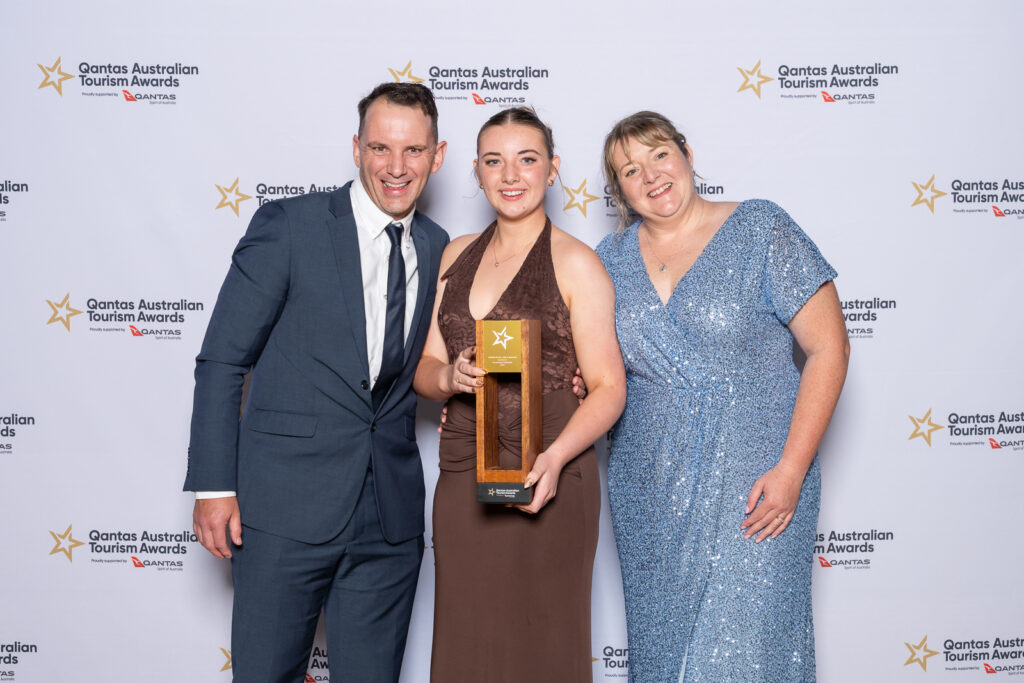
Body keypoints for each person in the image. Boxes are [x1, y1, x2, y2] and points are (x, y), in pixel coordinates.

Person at [184, 82, 448, 683]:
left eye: (413, 150)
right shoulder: (290, 226)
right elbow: (222, 360)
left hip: (389, 522)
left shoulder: (438, 247)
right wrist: (214, 487)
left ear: (437, 156)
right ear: (356, 149)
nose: (396, 167)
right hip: (283, 509)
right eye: (380, 148)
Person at [596, 111, 850, 682]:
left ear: (686, 154)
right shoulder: (606, 261)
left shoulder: (759, 227)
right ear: (619, 191)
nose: (651, 175)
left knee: (749, 653)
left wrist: (792, 470)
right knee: (665, 661)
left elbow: (830, 348)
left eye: (660, 154)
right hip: (650, 497)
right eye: (630, 170)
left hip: (757, 489)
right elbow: (595, 375)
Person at [414, 107, 626, 682]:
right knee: (467, 639)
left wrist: (555, 459)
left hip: (549, 464)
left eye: (527, 159)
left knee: (544, 641)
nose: (510, 175)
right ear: (477, 172)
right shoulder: (455, 255)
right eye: (494, 161)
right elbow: (426, 368)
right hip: (465, 467)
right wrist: (450, 378)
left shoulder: (577, 263)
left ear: (552, 169)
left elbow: (609, 389)